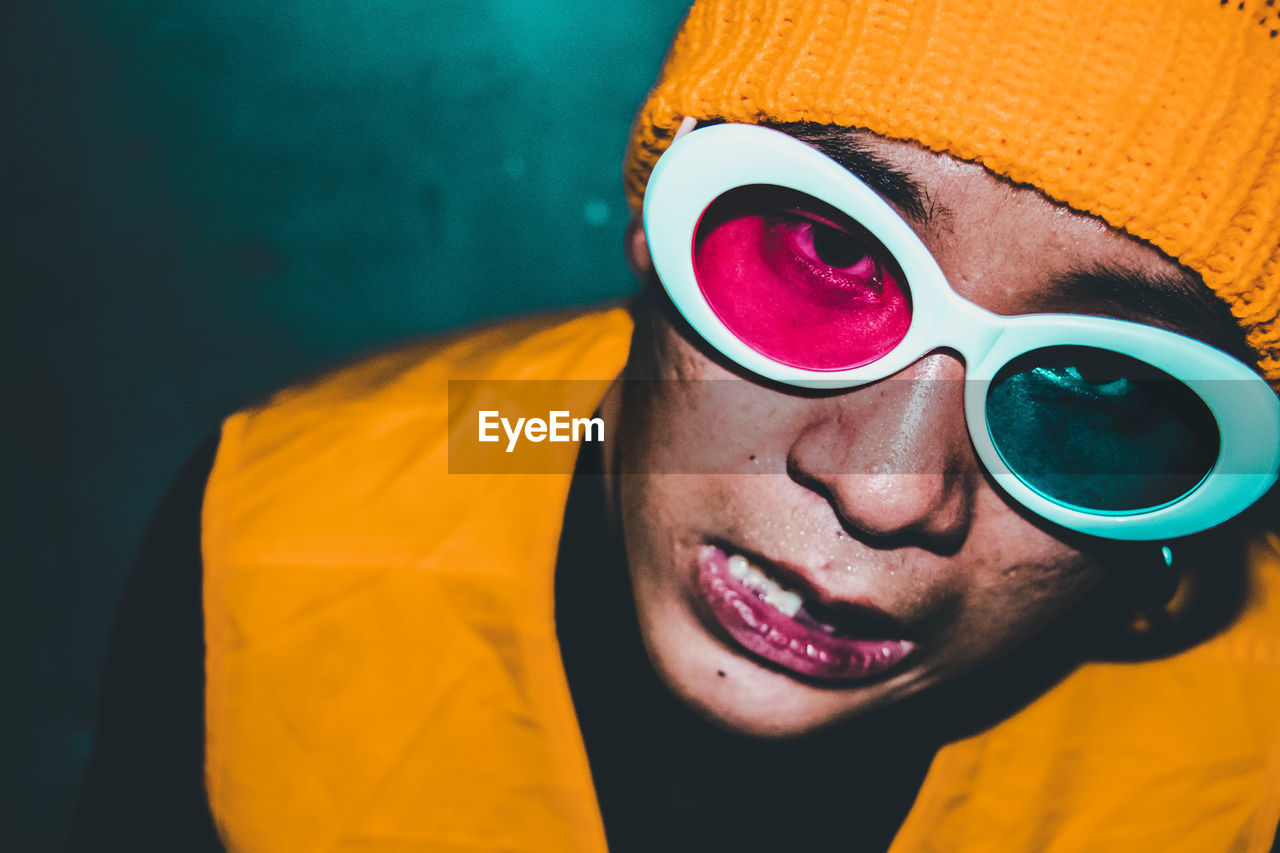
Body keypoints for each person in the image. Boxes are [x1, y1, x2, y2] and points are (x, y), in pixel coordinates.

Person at [70, 0, 1280, 850]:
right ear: (654, 218)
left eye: (1102, 386)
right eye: (831, 250)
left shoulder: (1253, 731)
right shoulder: (274, 528)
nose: (885, 487)